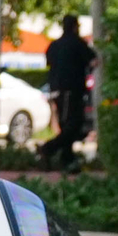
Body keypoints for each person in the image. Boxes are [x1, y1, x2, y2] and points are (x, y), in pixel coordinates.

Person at [43, 13, 96, 168]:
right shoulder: (78, 43)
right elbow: (93, 60)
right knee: (73, 124)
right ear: (75, 27)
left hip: (56, 89)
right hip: (72, 90)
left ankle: (67, 159)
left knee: (66, 124)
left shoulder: (54, 45)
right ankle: (49, 148)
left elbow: (49, 62)